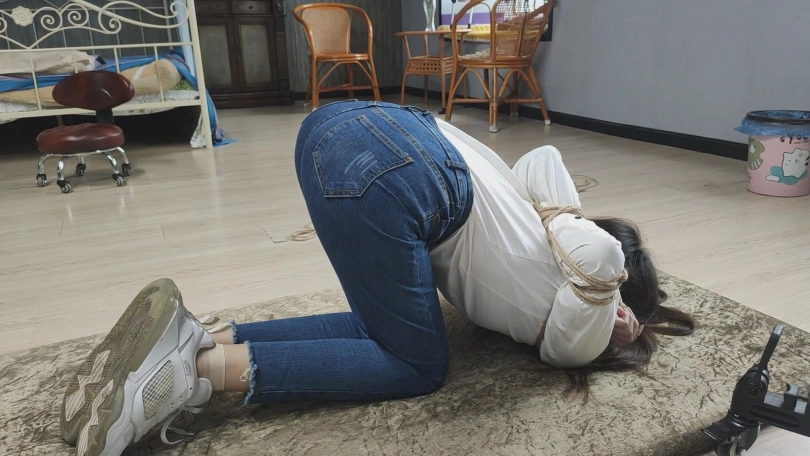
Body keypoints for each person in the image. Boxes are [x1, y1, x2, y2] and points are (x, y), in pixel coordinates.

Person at [59, 101, 694, 456]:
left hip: (340, 126)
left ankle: (202, 339)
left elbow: (545, 161)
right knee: (419, 365)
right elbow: (592, 250)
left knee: (386, 327)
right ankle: (186, 375)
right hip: (404, 172)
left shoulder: (542, 234)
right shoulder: (578, 275)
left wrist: (565, 227)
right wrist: (610, 306)